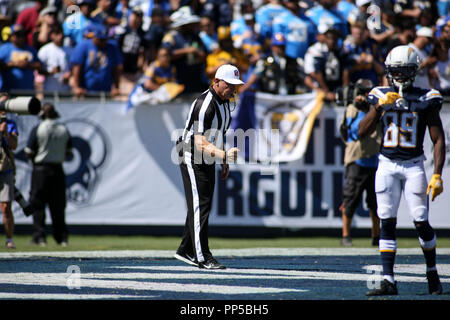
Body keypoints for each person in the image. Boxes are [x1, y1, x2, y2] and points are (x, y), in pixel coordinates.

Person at [360, 45, 445, 296]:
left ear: (414, 71)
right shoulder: (379, 95)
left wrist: (437, 173)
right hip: (386, 164)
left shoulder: (426, 98)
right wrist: (378, 108)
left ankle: (432, 272)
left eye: (403, 70)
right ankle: (388, 279)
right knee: (386, 220)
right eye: (394, 71)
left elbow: (438, 139)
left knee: (420, 221)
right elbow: (361, 133)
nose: (398, 76)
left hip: (413, 165)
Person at [174, 64, 242, 270]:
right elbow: (198, 141)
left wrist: (222, 160)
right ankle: (202, 256)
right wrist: (223, 154)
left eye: (235, 85)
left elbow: (218, 133)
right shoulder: (205, 104)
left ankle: (185, 249)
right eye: (229, 85)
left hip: (207, 155)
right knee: (199, 205)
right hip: (191, 154)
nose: (232, 89)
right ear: (217, 82)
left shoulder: (226, 103)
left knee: (203, 203)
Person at [339, 78, 381, 247]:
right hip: (357, 160)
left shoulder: (378, 109)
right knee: (350, 199)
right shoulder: (352, 109)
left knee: (376, 202)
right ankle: (345, 235)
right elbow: (357, 132)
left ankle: (376, 235)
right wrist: (366, 109)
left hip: (375, 160)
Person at [25, 103, 72, 247]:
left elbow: (28, 151)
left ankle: (39, 237)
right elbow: (69, 152)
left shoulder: (39, 128)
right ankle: (62, 238)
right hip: (57, 169)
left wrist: (35, 161)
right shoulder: (63, 129)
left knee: (38, 204)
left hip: (41, 170)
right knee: (58, 205)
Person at [70, 24, 122, 97]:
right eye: (100, 40)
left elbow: (116, 68)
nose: (103, 42)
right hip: (85, 92)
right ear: (95, 37)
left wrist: (116, 87)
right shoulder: (83, 46)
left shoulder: (112, 47)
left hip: (106, 92)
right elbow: (77, 67)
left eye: (105, 40)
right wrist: (76, 87)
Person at [0, 24, 43, 92]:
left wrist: (28, 65)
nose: (21, 37)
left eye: (23, 34)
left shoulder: (31, 49)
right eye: (18, 35)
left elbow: (40, 65)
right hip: (9, 92)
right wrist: (14, 64)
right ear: (11, 36)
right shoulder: (4, 49)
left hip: (28, 91)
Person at [0, 93, 18, 249]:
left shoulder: (11, 124)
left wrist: (5, 133)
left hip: (5, 168)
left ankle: (9, 238)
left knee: (6, 206)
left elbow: (14, 145)